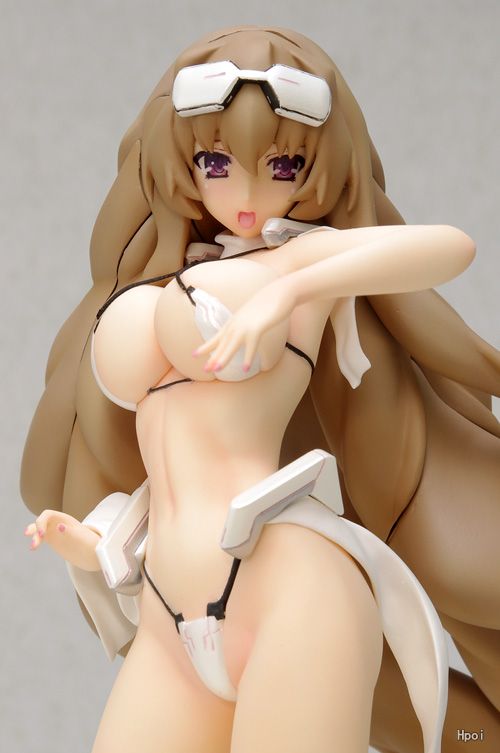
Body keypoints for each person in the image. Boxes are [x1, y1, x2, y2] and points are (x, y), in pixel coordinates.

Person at [21, 26, 500, 753]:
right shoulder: (159, 274)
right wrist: (93, 542)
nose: (246, 195)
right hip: (170, 610)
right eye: (216, 162)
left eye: (281, 165)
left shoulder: (299, 261)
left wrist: (292, 290)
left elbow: (448, 247)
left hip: (286, 589)